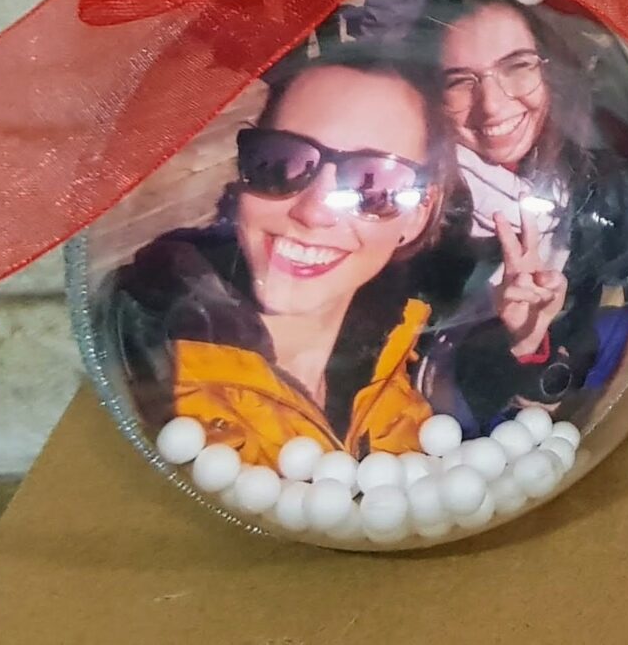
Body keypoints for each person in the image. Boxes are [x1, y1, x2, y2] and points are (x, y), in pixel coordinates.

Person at [106, 44, 460, 468]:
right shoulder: (142, 364)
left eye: (373, 186)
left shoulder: (396, 365)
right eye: (282, 162)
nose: (312, 212)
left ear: (418, 215)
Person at [413, 0, 628, 431]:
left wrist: (625, 380)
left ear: (551, 71)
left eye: (518, 66)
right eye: (460, 82)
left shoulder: (595, 179)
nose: (492, 106)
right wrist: (514, 342)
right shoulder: (413, 208)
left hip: (572, 400)